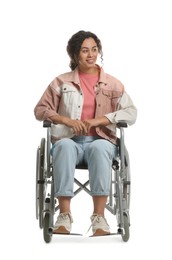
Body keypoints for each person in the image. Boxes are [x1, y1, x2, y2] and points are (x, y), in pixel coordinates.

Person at [34, 30, 137, 236]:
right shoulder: (61, 82)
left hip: (101, 140)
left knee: (99, 147)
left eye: (94, 49)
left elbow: (131, 112)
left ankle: (99, 218)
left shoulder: (112, 84)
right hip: (69, 139)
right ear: (74, 55)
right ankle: (63, 216)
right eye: (84, 50)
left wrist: (101, 119)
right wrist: (66, 120)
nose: (91, 55)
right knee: (63, 146)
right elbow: (40, 110)